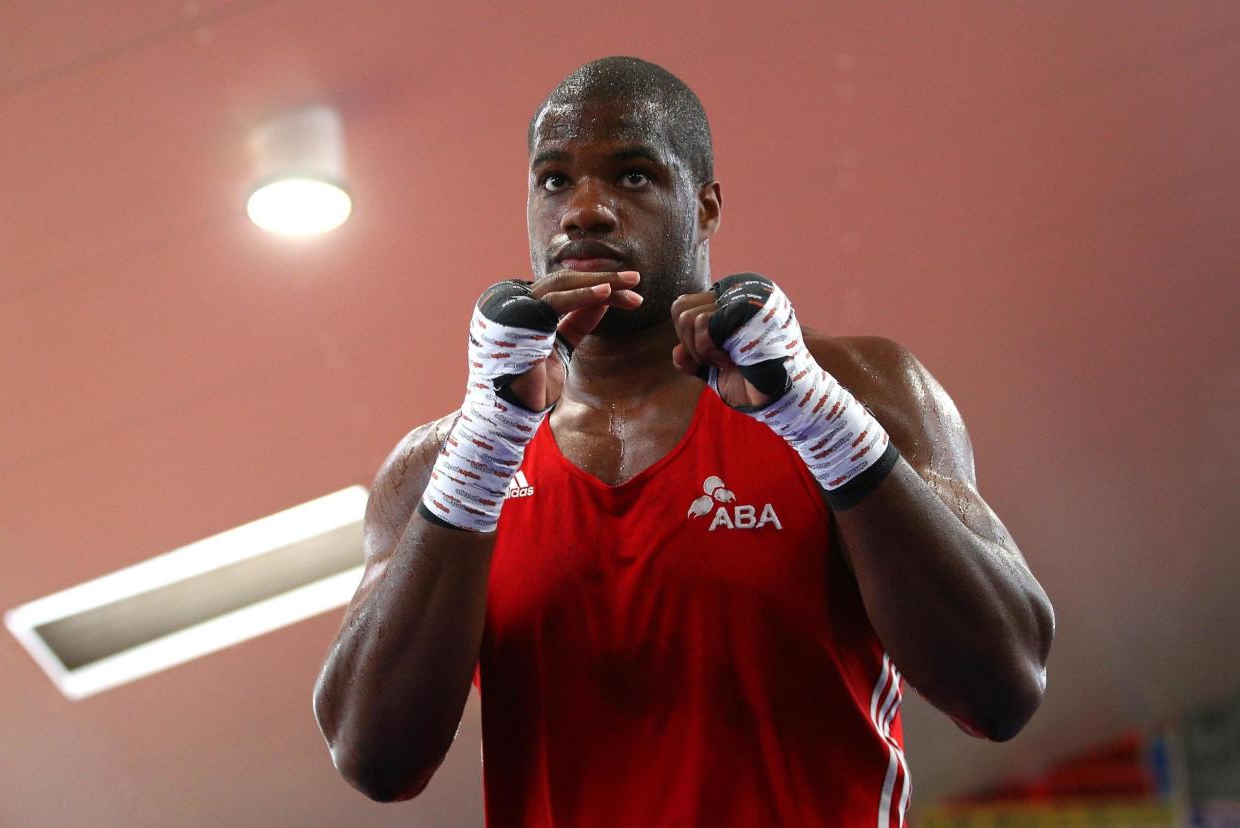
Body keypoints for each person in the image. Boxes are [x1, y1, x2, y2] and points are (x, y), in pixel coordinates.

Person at [312, 56, 1055, 827]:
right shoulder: (443, 465)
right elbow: (372, 758)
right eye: (555, 180)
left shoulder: (860, 388)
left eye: (632, 176)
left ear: (705, 207)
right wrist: (485, 447)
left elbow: (1004, 685)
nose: (585, 211)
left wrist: (821, 425)